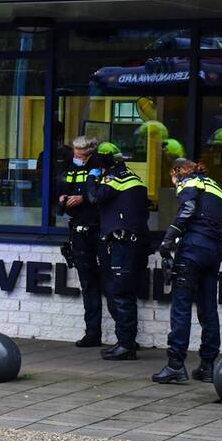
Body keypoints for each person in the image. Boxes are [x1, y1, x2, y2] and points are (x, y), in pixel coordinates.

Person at [152, 159, 222, 384]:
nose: (173, 181)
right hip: (214, 250)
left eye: (172, 176)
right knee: (208, 308)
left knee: (181, 307)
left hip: (193, 249)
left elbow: (188, 208)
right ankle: (207, 366)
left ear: (177, 173)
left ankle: (175, 365)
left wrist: (168, 240)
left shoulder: (189, 183)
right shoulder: (216, 187)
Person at [84, 142, 150, 361]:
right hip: (133, 241)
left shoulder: (116, 178)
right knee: (123, 293)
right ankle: (124, 342)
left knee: (121, 294)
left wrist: (91, 178)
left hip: (124, 243)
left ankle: (126, 345)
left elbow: (95, 197)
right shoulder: (132, 176)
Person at [55, 135, 113, 348]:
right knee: (87, 282)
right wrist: (63, 198)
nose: (76, 158)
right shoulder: (71, 167)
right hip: (78, 229)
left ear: (90, 154)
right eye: (75, 154)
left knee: (110, 282)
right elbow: (64, 187)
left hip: (99, 229)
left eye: (80, 155)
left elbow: (106, 195)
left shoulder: (100, 167)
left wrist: (83, 198)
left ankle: (123, 337)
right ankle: (92, 332)